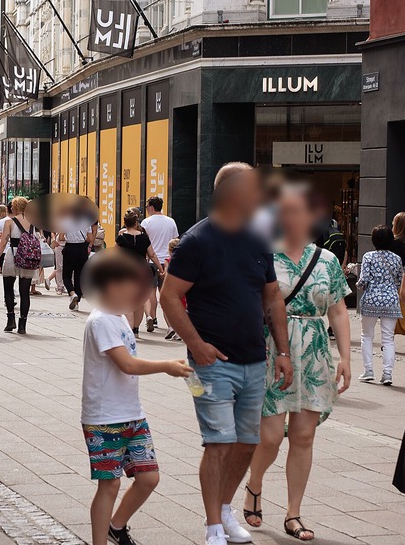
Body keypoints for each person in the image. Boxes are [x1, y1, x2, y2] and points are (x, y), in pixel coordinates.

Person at [159, 163, 293, 545]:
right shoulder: (197, 241)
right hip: (211, 365)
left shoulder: (257, 240)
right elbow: (169, 297)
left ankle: (224, 510)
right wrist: (197, 346)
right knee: (218, 442)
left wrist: (282, 351)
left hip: (254, 359)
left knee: (248, 443)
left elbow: (271, 296)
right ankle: (213, 527)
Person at [242, 186, 351, 542]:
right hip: (274, 349)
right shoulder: (265, 255)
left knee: (303, 436)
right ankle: (254, 485)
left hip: (315, 351)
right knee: (271, 437)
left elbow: (337, 309)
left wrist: (346, 357)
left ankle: (294, 513)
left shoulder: (327, 260)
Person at [81, 250, 191, 545]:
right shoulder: (101, 320)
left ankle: (115, 527)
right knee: (110, 484)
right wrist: (166, 366)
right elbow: (126, 364)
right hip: (104, 418)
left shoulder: (118, 318)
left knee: (148, 478)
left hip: (131, 413)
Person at [357, 226, 405, 385]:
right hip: (390, 300)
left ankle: (368, 370)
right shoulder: (396, 259)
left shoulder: (368, 257)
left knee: (367, 336)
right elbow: (399, 281)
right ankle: (387, 374)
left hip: (371, 299)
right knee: (388, 339)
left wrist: (357, 283)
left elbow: (363, 280)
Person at [114, 209, 163, 335]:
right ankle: (136, 328)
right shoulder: (144, 237)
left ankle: (130, 329)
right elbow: (152, 254)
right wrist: (160, 267)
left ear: (125, 223)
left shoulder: (121, 237)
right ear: (136, 223)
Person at [0, 197, 37, 333]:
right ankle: (22, 324)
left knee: (8, 288)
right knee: (25, 292)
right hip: (28, 257)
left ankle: (10, 319)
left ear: (15, 207)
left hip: (13, 255)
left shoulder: (9, 222)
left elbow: (3, 242)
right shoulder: (33, 222)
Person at [140, 197, 177, 333]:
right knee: (165, 293)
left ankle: (153, 318)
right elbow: (175, 241)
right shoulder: (171, 222)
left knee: (151, 291)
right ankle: (170, 325)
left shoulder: (146, 222)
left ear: (150, 207)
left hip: (151, 261)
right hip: (167, 261)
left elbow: (145, 243)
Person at [61, 202, 97, 310]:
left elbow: (62, 237)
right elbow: (90, 239)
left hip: (70, 249)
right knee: (79, 276)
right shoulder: (86, 221)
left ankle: (72, 294)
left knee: (66, 275)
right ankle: (77, 303)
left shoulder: (65, 221)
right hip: (82, 250)